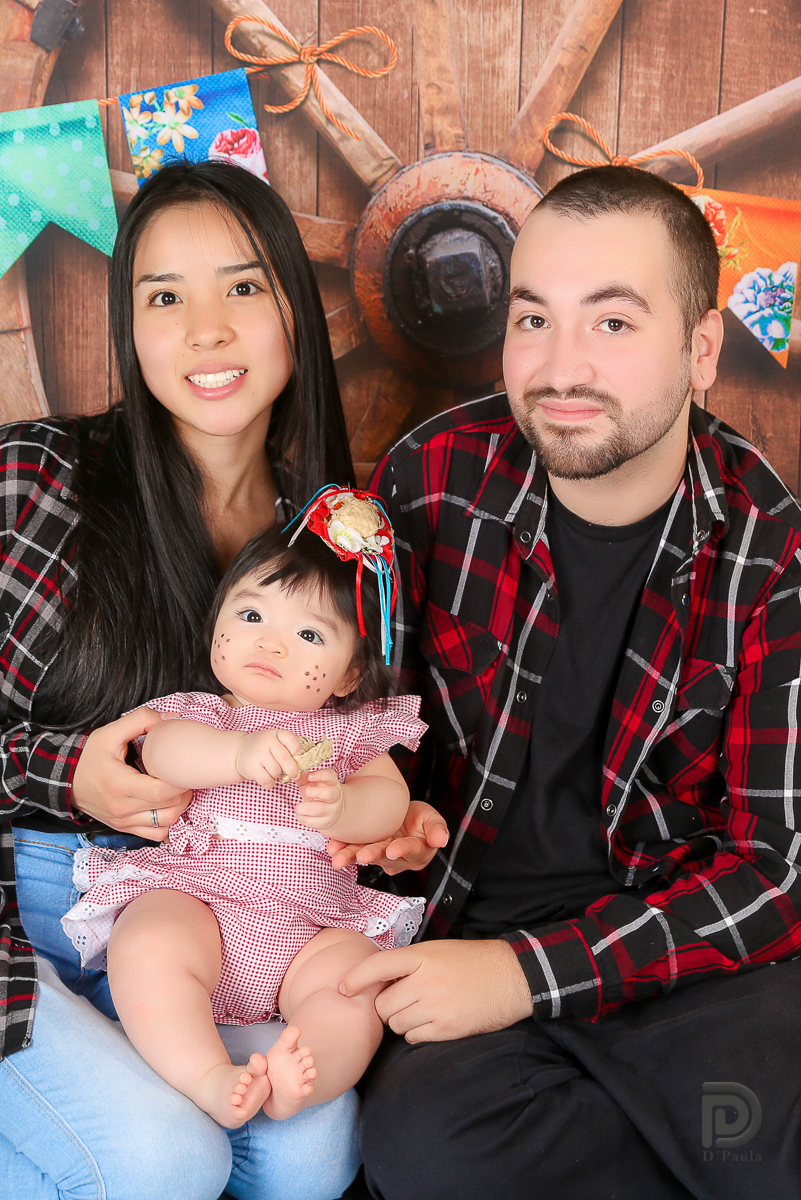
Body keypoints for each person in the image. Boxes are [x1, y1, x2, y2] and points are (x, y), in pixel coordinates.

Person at [335, 165, 801, 1199]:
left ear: (702, 351)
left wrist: (533, 977)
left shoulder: (770, 550)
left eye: (613, 323)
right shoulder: (431, 479)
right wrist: (380, 809)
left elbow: (776, 871)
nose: (560, 368)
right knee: (426, 1149)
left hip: (682, 961)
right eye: (533, 319)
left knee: (767, 1146)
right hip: (470, 947)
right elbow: (358, 719)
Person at [0, 159, 404, 1200]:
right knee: (162, 1161)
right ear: (130, 329)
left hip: (215, 922)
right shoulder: (35, 481)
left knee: (311, 1148)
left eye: (243, 287)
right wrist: (65, 774)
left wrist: (392, 823)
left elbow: (361, 751)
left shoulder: (330, 545)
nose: (206, 332)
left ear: (295, 311)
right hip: (23, 902)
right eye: (164, 298)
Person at [61, 505, 426, 1129]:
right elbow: (162, 753)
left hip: (311, 929)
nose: (271, 642)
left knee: (355, 984)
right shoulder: (205, 715)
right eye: (251, 616)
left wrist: (345, 807)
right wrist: (236, 754)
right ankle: (207, 1075)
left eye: (309, 635)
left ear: (350, 674)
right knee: (146, 941)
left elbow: (389, 801)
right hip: (200, 901)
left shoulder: (350, 736)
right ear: (216, 626)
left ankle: (300, 1079)